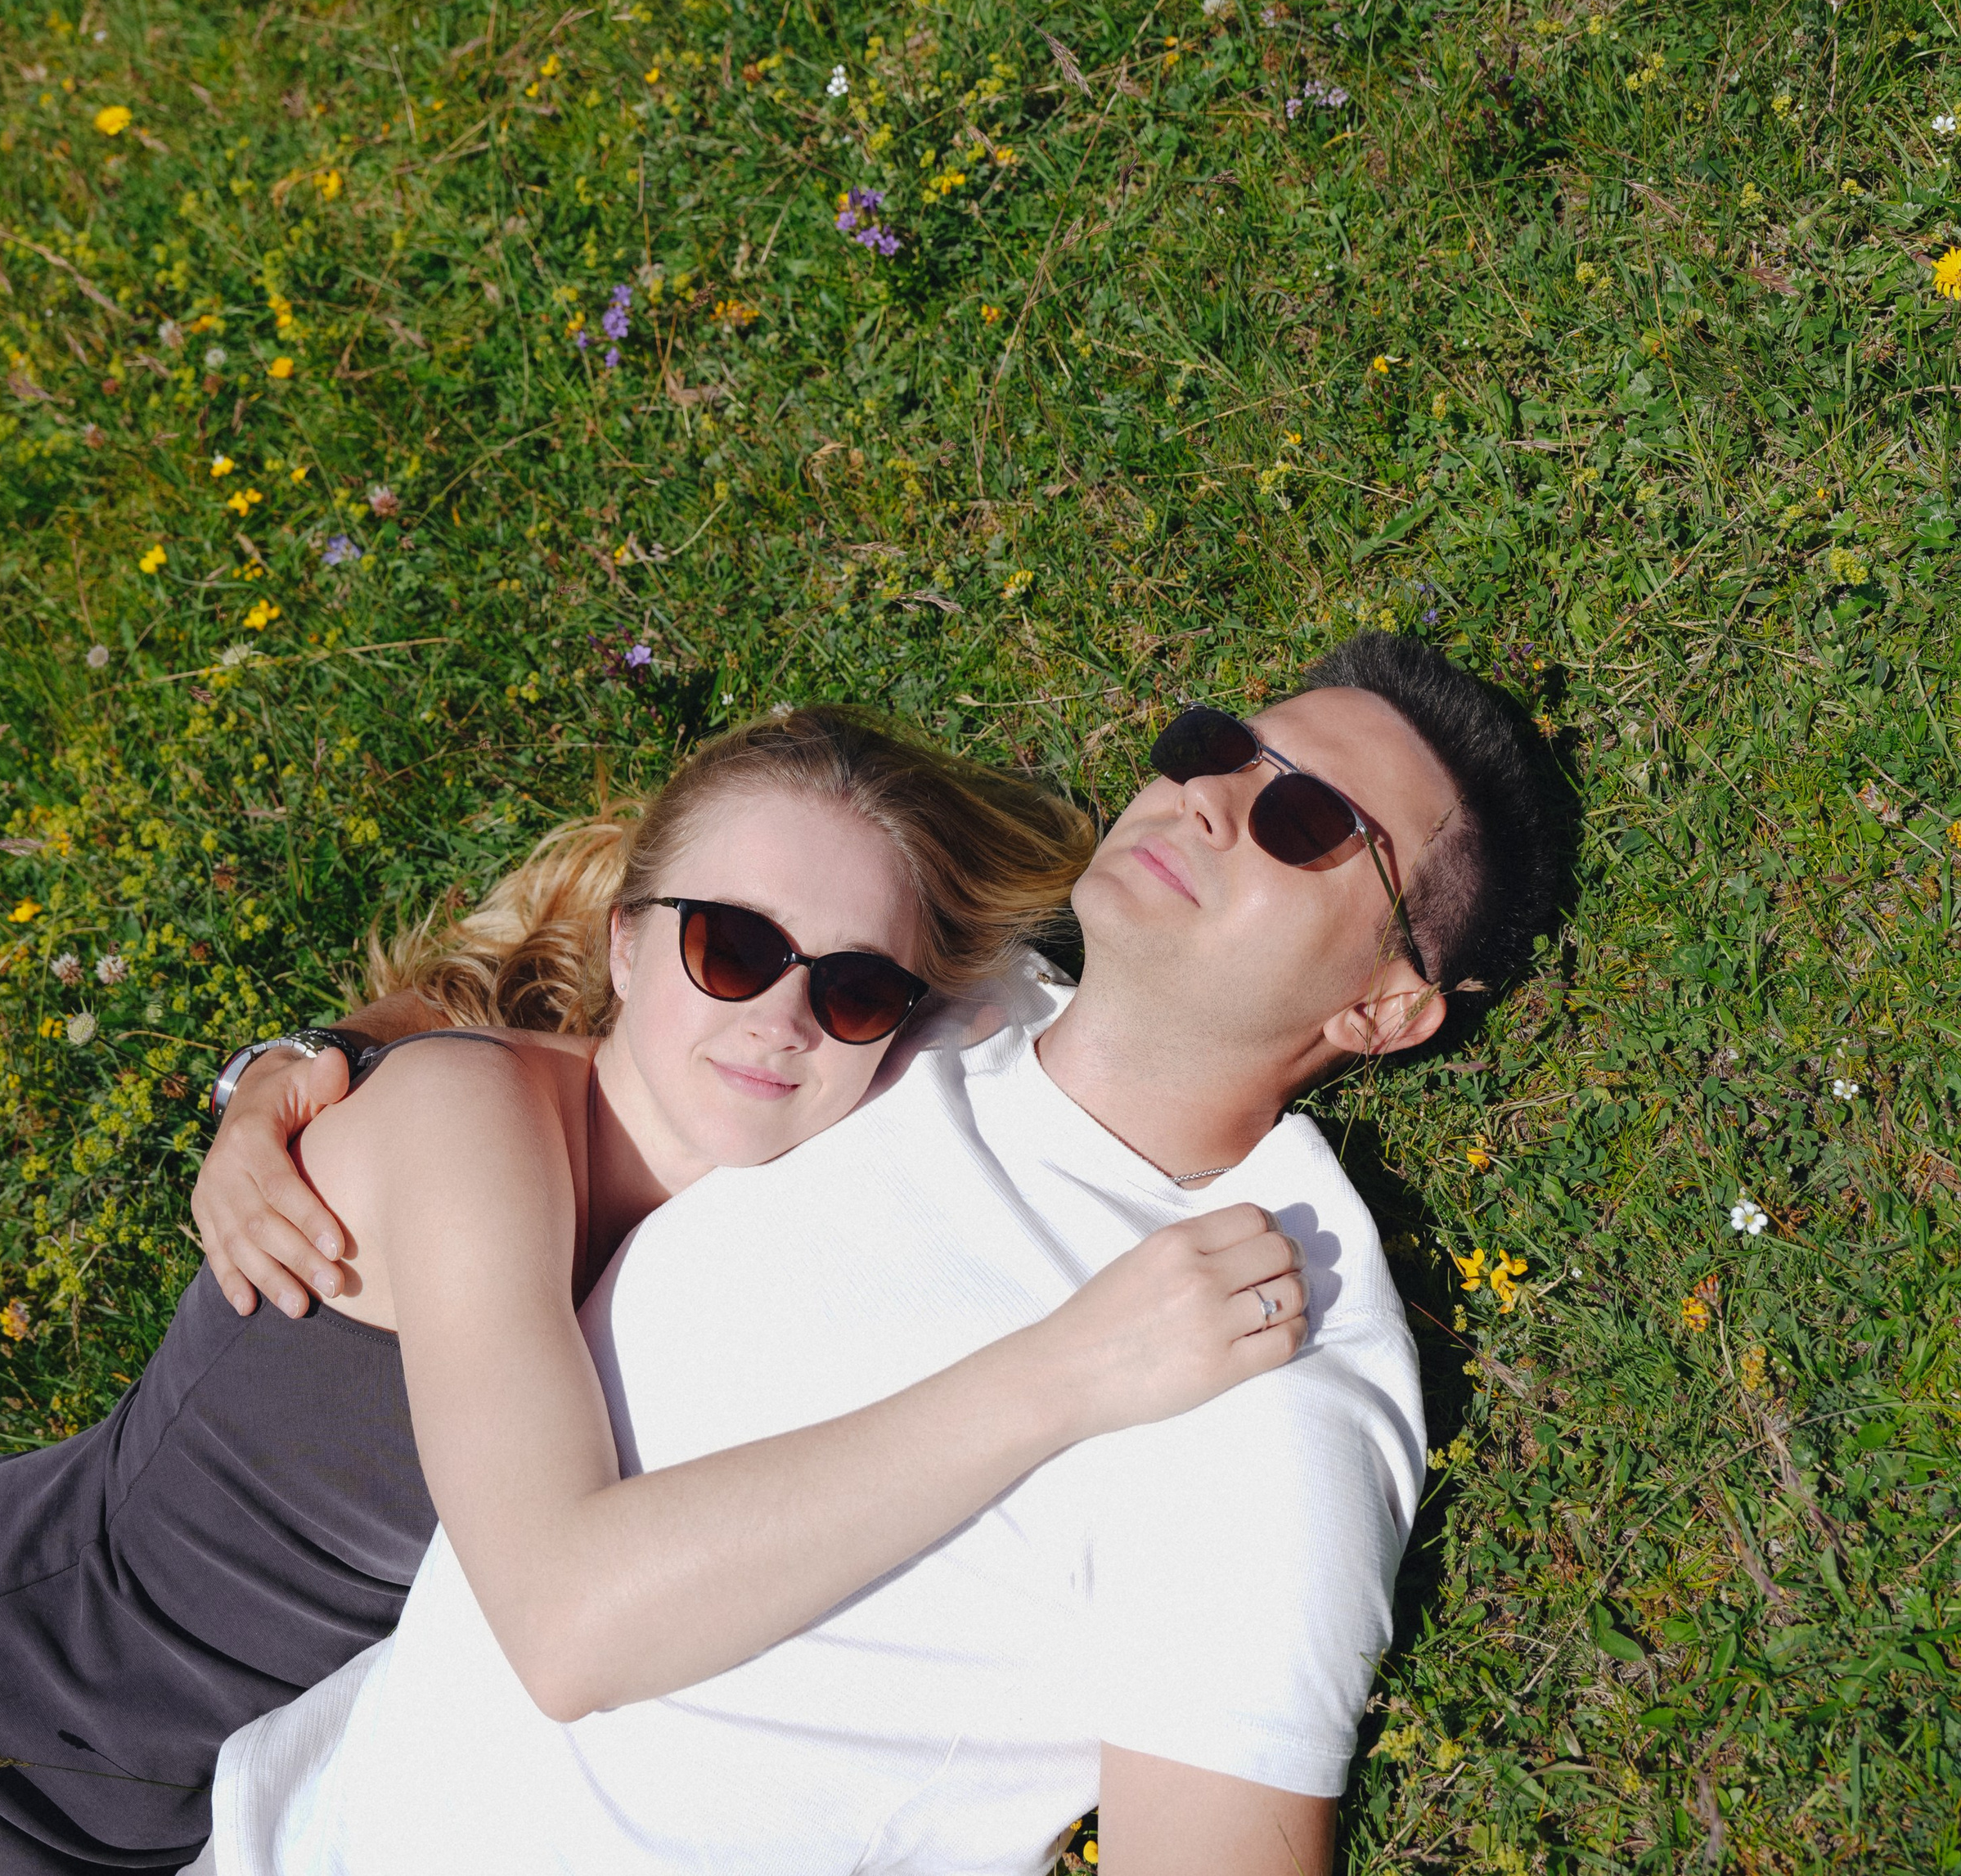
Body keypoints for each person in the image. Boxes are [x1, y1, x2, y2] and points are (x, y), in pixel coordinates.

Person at [202, 632, 1572, 1876]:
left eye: (1307, 818)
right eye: (1216, 745)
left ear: (1387, 1007)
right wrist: (306, 1067)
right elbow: (648, 940)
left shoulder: (1264, 1353)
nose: (1207, 796)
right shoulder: (900, 1012)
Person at [0, 709, 1308, 1876]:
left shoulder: (793, 1170)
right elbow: (562, 1620)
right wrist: (1063, 1375)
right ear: (626, 940)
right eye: (728, 947)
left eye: (854, 987)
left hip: (165, 1810)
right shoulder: (471, 1125)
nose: (780, 1019)